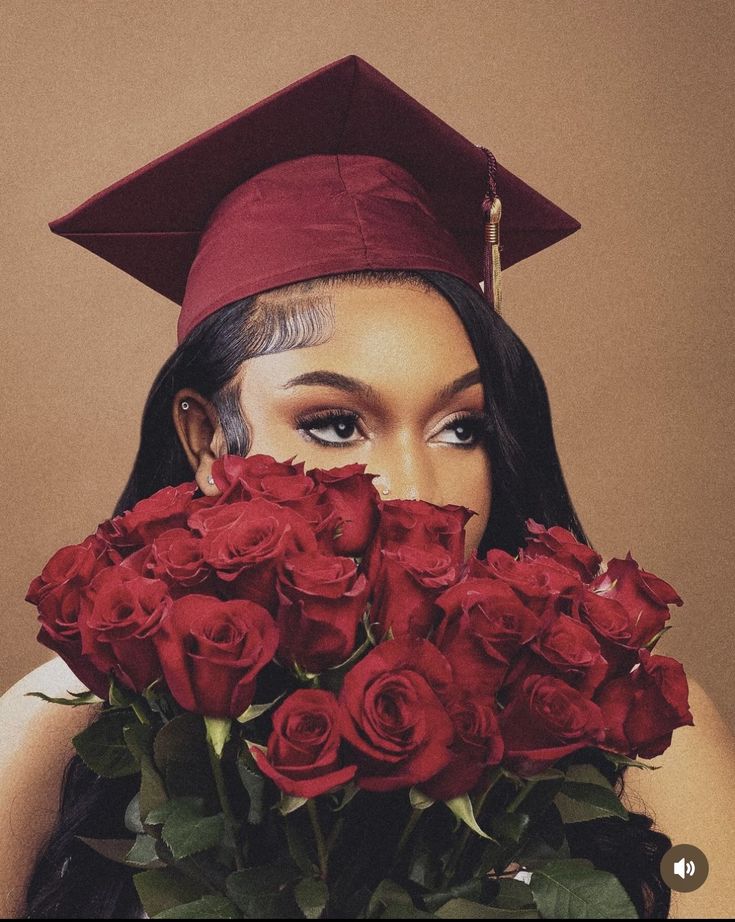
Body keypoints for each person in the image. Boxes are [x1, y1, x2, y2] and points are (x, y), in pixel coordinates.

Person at [1, 55, 734, 919]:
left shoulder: (631, 730)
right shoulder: (56, 731)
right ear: (205, 439)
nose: (418, 492)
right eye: (336, 425)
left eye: (461, 427)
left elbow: (699, 882)